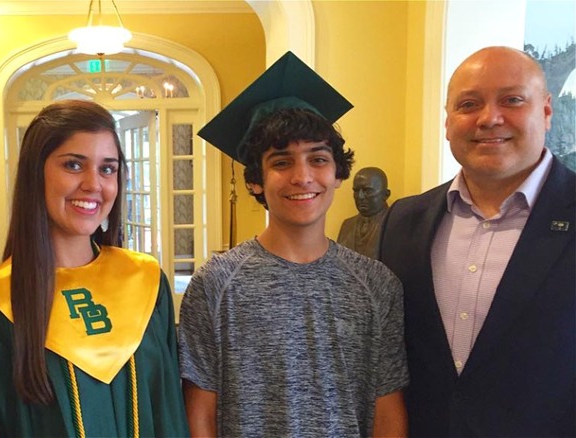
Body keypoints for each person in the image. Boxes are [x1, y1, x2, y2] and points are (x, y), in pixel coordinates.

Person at [179, 51, 409, 437]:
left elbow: (386, 406)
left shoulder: (376, 284)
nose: (303, 177)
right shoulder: (215, 284)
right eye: (282, 163)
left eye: (318, 159)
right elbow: (200, 413)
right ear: (256, 181)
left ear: (338, 173)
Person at [0, 100, 189, 437]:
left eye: (107, 168)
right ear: (34, 173)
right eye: (73, 165)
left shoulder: (146, 284)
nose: (93, 184)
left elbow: (170, 413)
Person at [379, 46, 575, 437]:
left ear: (547, 111)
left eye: (512, 100)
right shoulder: (402, 222)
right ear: (448, 122)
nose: (489, 118)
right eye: (469, 104)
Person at [337, 167, 390, 259]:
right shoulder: (347, 225)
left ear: (386, 194)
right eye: (356, 191)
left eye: (367, 191)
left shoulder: (394, 225)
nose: (360, 197)